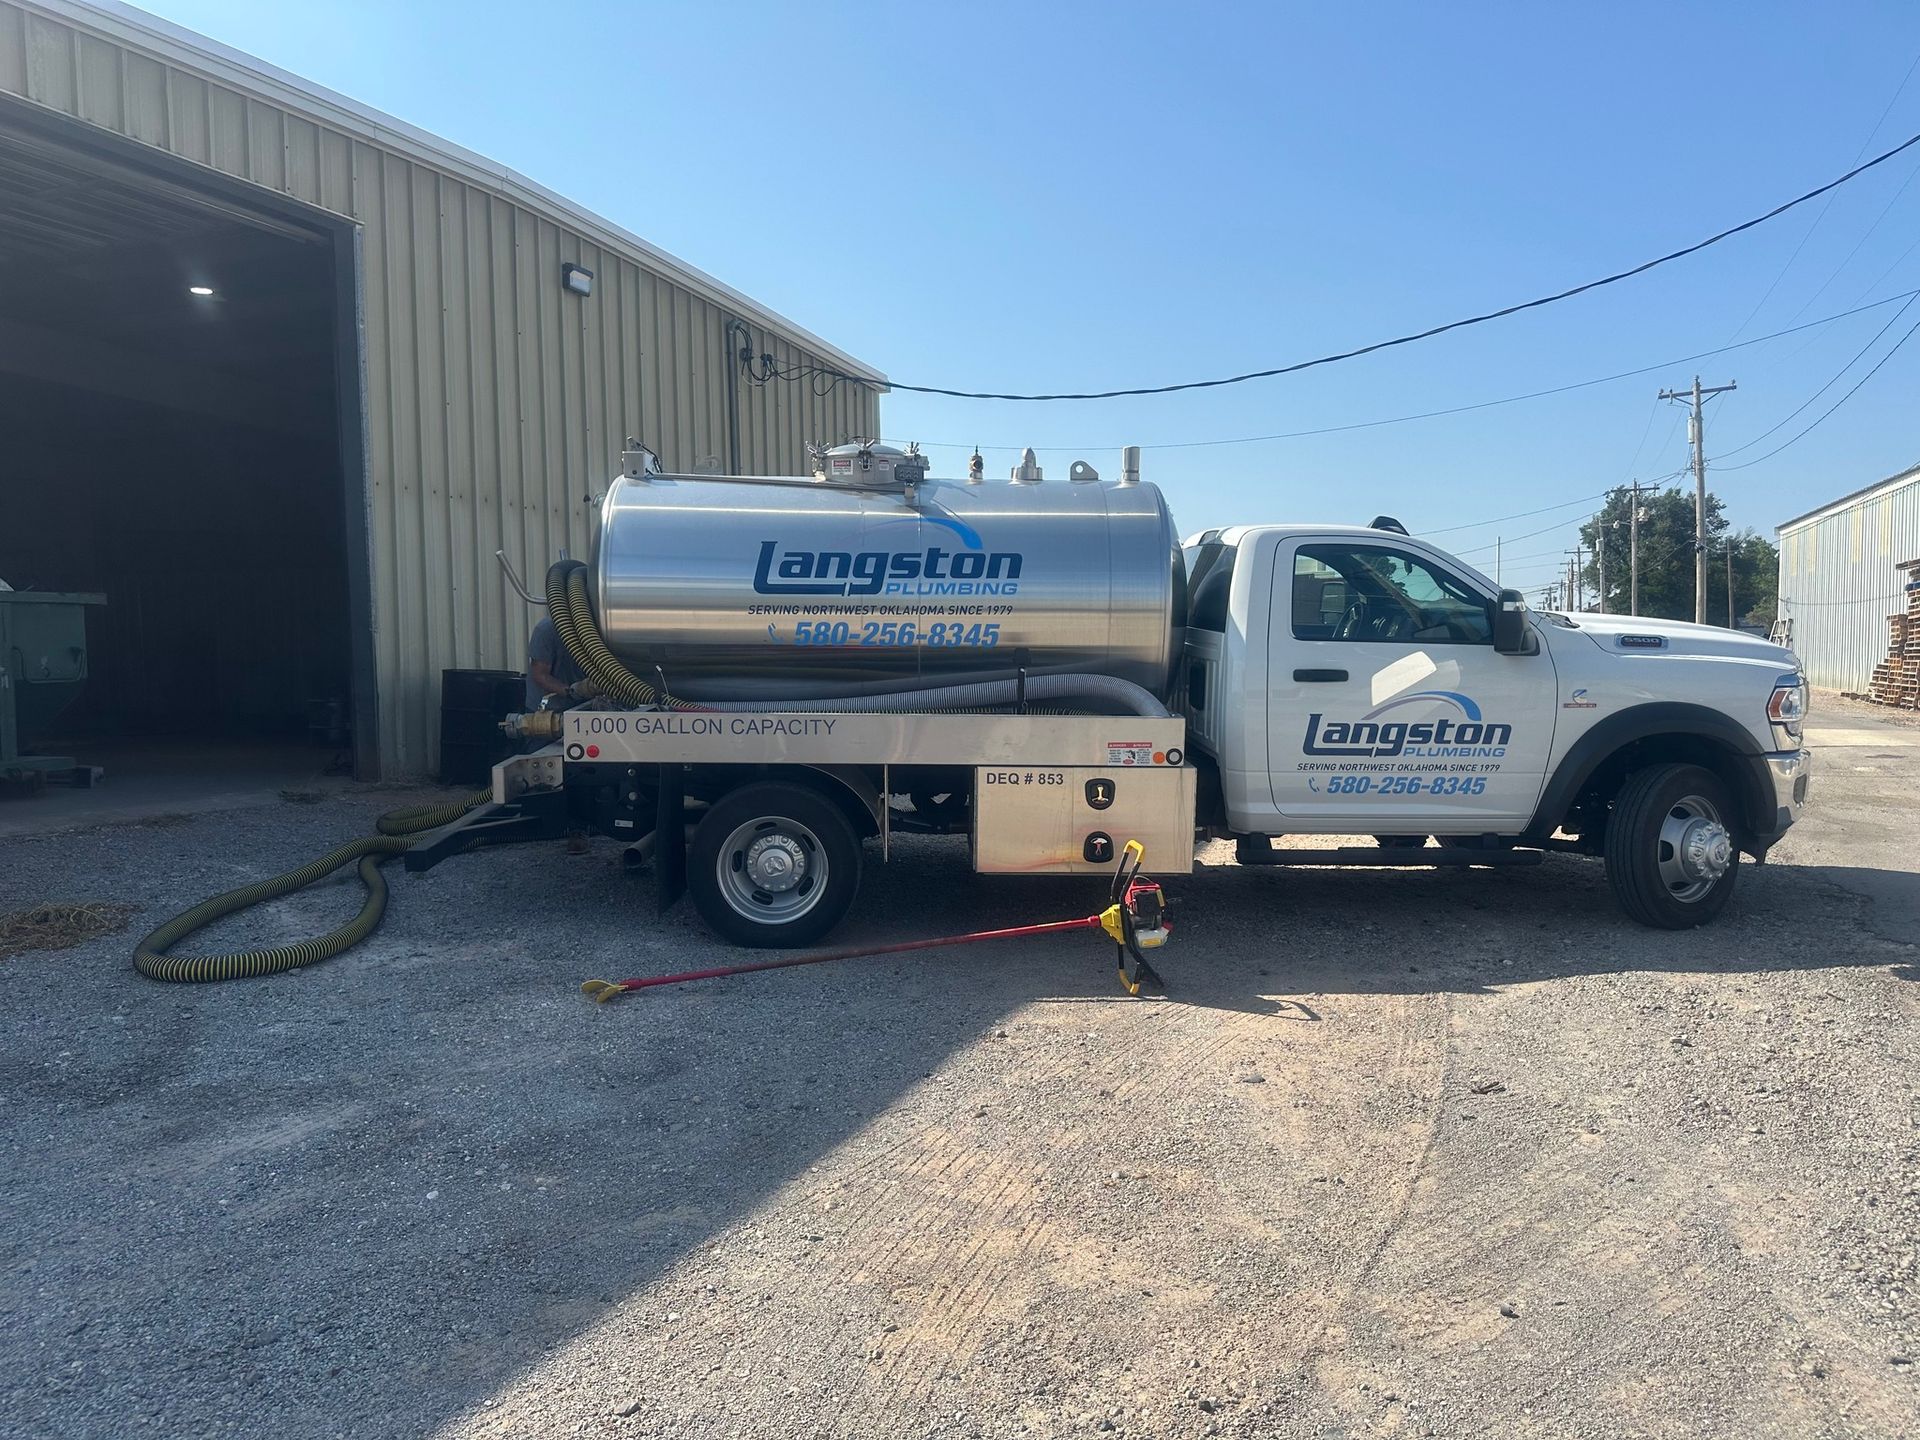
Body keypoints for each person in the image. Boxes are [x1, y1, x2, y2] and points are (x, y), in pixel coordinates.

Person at [525, 614, 585, 711]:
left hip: (581, 705)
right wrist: (573, 692)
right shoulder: (546, 630)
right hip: (546, 710)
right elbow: (540, 675)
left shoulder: (598, 630)